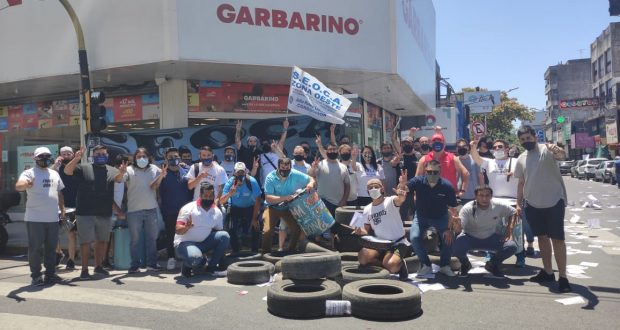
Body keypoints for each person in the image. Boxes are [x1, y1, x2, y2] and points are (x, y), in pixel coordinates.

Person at [514, 125, 571, 293]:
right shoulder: (521, 158)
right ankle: (547, 272)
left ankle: (563, 277)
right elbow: (521, 182)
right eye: (523, 139)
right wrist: (518, 203)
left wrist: (557, 150)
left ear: (535, 137)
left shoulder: (547, 150)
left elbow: (561, 155)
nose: (526, 141)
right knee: (542, 239)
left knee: (558, 240)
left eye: (528, 138)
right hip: (532, 204)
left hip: (554, 202)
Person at [470, 137, 535, 267]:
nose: (497, 149)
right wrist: (473, 146)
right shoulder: (489, 162)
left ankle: (520, 256)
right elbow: (476, 157)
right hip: (494, 202)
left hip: (513, 201)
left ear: (507, 149)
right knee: (493, 230)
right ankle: (491, 254)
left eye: (500, 147)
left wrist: (518, 202)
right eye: (495, 147)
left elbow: (526, 179)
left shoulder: (517, 162)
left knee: (516, 231)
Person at [63, 145, 125, 279]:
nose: (101, 156)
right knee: (85, 242)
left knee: (101, 240)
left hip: (105, 211)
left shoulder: (112, 170)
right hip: (85, 212)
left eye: (103, 153)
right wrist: (76, 159)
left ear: (107, 156)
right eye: (98, 154)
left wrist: (122, 172)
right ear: (92, 156)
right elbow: (67, 171)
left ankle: (98, 266)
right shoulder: (83, 167)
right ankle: (84, 269)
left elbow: (119, 179)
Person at [15, 147, 66, 286]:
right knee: (35, 249)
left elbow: (60, 193)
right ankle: (36, 275)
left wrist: (62, 210)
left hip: (52, 219)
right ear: (35, 159)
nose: (45, 158)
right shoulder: (29, 173)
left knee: (51, 249)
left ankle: (50, 274)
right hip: (35, 218)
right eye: (41, 156)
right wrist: (25, 184)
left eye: (47, 156)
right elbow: (19, 186)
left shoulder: (54, 174)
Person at [408, 161, 460, 277]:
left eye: (435, 172)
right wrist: (401, 185)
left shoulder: (447, 186)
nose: (432, 174)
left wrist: (449, 227)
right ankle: (426, 265)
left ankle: (444, 265)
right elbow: (405, 188)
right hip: (421, 217)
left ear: (440, 172)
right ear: (425, 171)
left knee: (449, 237)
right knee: (414, 237)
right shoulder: (418, 181)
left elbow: (453, 209)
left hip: (441, 217)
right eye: (429, 172)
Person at [453, 186, 518, 277]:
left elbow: (514, 212)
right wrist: (456, 224)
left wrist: (509, 231)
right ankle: (465, 264)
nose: (484, 198)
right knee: (456, 244)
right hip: (470, 237)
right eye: (481, 195)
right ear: (475, 197)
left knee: (511, 246)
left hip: (490, 237)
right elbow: (459, 230)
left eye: (487, 195)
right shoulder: (467, 208)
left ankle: (492, 264)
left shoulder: (498, 205)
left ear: (491, 196)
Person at [356, 176, 411, 281]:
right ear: (367, 191)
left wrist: (402, 189)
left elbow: (400, 199)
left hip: (397, 242)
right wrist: (359, 231)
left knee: (392, 266)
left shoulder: (390, 201)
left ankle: (398, 264)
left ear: (382, 189)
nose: (373, 189)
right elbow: (365, 231)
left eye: (376, 186)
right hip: (379, 243)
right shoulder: (367, 209)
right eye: (370, 187)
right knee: (362, 258)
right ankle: (384, 262)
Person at [175, 182, 230, 278]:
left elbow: (217, 233)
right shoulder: (188, 209)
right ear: (200, 195)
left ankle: (211, 267)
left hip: (204, 243)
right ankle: (187, 265)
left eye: (210, 196)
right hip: (185, 243)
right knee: (195, 258)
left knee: (224, 236)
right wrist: (186, 227)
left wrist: (222, 259)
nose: (208, 198)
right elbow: (178, 230)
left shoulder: (217, 212)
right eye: (205, 195)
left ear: (214, 196)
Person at [263, 157, 316, 253]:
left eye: (287, 168)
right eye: (282, 168)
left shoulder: (294, 173)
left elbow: (311, 179)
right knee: (267, 231)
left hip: (288, 207)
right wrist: (285, 198)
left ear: (290, 167)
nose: (285, 170)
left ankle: (291, 250)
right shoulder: (270, 177)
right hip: (272, 207)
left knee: (296, 229)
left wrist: (311, 184)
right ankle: (266, 253)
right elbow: (268, 198)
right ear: (278, 167)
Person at [124, 147, 164, 273]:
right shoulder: (129, 170)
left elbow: (155, 186)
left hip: (151, 209)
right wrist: (120, 172)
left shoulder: (155, 169)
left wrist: (161, 175)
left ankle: (152, 263)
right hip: (133, 210)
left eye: (144, 156)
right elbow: (120, 180)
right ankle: (134, 265)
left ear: (148, 157)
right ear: (135, 158)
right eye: (139, 156)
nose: (142, 159)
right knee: (134, 240)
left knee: (152, 238)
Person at [159, 147, 193, 270]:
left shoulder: (187, 170)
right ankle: (171, 258)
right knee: (171, 236)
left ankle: (187, 259)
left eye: (176, 157)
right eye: (171, 157)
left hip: (186, 211)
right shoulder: (162, 173)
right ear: (166, 159)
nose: (174, 159)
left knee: (188, 234)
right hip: (169, 210)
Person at [219, 162, 262, 253]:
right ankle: (236, 251)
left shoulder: (252, 181)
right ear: (234, 172)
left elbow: (258, 200)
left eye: (242, 172)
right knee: (231, 228)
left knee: (256, 227)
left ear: (246, 172)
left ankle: (255, 250)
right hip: (236, 208)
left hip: (249, 207)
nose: (240, 174)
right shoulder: (230, 182)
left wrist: (254, 219)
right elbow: (221, 201)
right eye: (238, 172)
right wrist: (230, 193)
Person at [415, 131, 469, 197]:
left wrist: (462, 191)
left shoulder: (452, 158)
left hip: (449, 197)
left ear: (444, 143)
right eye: (435, 141)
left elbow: (466, 173)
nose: (437, 143)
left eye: (439, 141)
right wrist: (416, 195)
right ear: (431, 144)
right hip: (429, 197)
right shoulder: (424, 159)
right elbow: (417, 178)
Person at [51, 146, 79, 269]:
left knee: (71, 233)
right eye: (64, 154)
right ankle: (58, 252)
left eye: (69, 153)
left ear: (73, 155)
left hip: (73, 205)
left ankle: (71, 259)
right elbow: (48, 175)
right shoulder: (55, 169)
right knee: (53, 233)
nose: (66, 156)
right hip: (56, 204)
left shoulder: (78, 167)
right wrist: (55, 164)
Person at [308, 143, 350, 216]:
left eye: (334, 149)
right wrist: (313, 167)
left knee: (337, 227)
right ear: (326, 151)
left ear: (338, 151)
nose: (332, 151)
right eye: (330, 149)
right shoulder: (320, 164)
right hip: (322, 202)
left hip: (338, 203)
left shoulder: (343, 167)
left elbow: (347, 185)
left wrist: (344, 200)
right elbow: (310, 175)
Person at [259, 119, 289, 186]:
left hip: (277, 183)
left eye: (267, 143)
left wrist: (285, 128)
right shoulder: (260, 156)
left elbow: (282, 141)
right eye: (263, 144)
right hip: (265, 184)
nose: (266, 145)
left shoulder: (277, 153)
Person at [455, 139, 479, 205]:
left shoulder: (475, 159)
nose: (461, 148)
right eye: (459, 147)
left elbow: (480, 177)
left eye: (464, 146)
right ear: (456, 149)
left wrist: (481, 194)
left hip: (474, 197)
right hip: (459, 198)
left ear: (468, 147)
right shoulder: (454, 160)